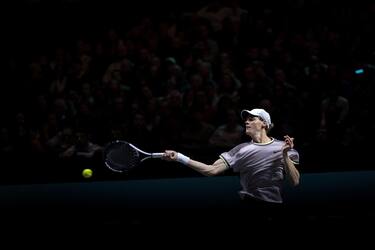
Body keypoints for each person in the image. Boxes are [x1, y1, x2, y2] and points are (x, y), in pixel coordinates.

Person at [162, 108, 300, 224]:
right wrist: (180, 157)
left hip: (276, 207)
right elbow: (211, 170)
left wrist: (285, 154)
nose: (246, 121)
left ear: (264, 123)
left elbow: (295, 181)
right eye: (246, 119)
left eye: (251, 119)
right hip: (250, 205)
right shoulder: (240, 150)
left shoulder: (284, 147)